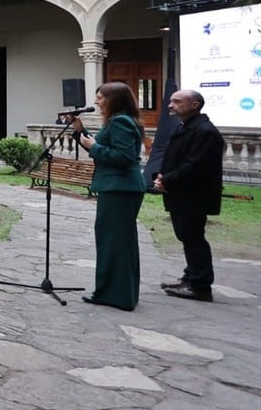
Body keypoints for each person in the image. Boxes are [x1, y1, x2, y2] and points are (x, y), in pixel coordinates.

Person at [74, 82, 147, 311]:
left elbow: (123, 156)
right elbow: (103, 147)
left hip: (120, 188)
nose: (97, 102)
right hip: (119, 187)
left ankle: (116, 295)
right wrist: (80, 131)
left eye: (100, 97)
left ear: (115, 99)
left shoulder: (121, 122)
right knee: (116, 241)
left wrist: (94, 147)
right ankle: (117, 292)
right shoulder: (120, 120)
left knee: (114, 242)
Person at [155, 89, 225, 303]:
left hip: (194, 195)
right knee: (187, 237)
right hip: (181, 193)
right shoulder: (187, 127)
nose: (170, 105)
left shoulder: (205, 131)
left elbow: (195, 165)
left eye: (177, 101)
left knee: (194, 239)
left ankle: (200, 286)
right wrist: (161, 176)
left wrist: (167, 180)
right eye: (171, 101)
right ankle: (190, 277)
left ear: (194, 105)